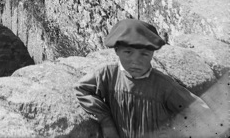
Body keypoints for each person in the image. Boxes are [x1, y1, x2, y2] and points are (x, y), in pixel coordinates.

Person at [75, 18, 208, 138]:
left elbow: (200, 111)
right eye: (128, 52)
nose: (136, 61)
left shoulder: (164, 86)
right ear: (116, 50)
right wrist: (106, 120)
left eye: (144, 54)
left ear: (152, 54)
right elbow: (81, 89)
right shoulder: (108, 75)